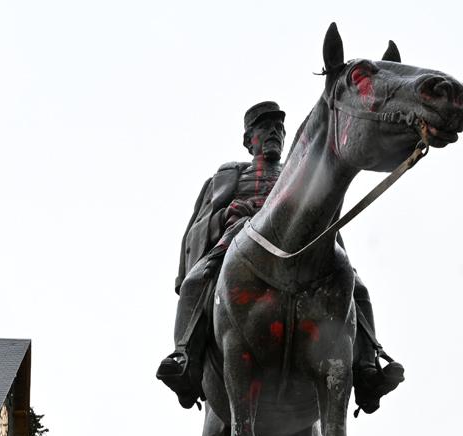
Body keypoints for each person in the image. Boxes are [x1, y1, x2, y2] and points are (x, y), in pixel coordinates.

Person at [157, 101, 403, 413]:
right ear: (249, 140)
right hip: (239, 240)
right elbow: (201, 222)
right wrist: (229, 214)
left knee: (357, 288)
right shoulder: (228, 176)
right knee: (196, 282)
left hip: (300, 246)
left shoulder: (298, 173)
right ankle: (186, 360)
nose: (274, 133)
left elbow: (323, 212)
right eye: (265, 128)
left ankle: (369, 368)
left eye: (278, 129)